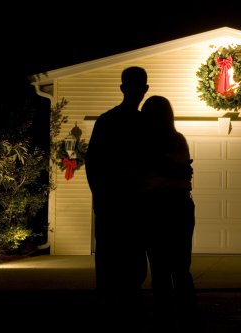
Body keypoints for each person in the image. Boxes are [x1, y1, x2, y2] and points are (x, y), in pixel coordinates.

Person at [84, 66, 150, 318]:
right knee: (128, 265)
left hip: (118, 207)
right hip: (127, 208)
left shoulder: (107, 121)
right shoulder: (141, 124)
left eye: (137, 87)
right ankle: (123, 312)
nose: (136, 92)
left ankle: (112, 311)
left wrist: (100, 198)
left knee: (113, 264)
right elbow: (93, 163)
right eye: (135, 87)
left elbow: (93, 163)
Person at [141, 95, 198, 331]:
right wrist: (177, 171)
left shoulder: (144, 144)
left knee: (161, 268)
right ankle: (187, 318)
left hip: (157, 208)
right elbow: (184, 174)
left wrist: (161, 172)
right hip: (180, 207)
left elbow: (149, 180)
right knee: (180, 267)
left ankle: (165, 318)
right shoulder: (177, 140)